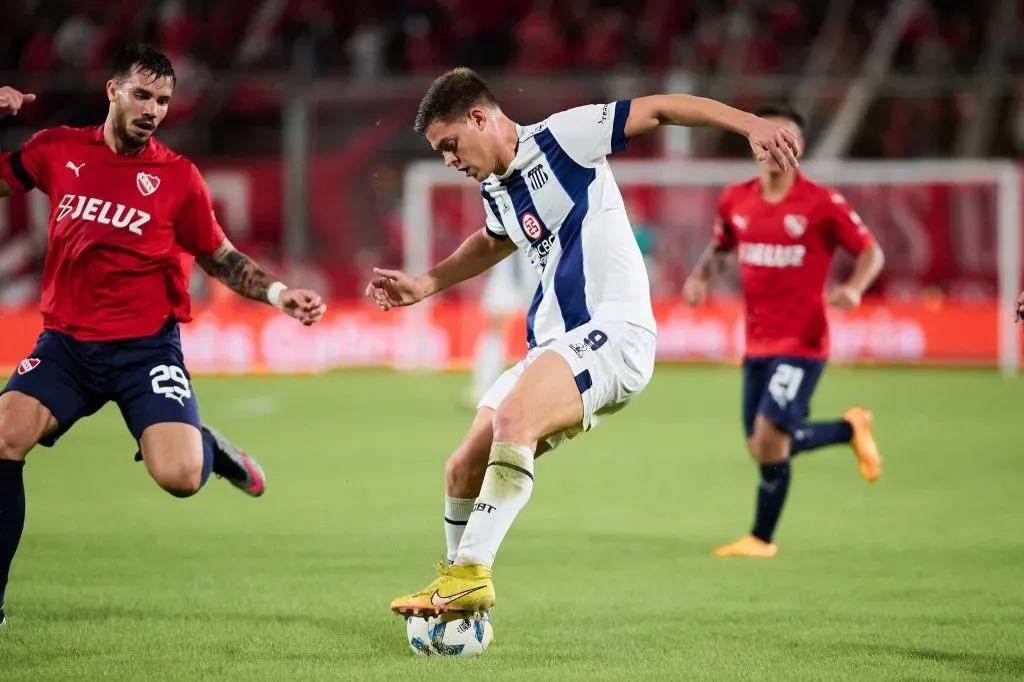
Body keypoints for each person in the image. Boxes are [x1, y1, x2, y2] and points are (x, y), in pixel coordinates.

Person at [366, 67, 800, 617]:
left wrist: (750, 125)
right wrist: (425, 283)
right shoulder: (497, 188)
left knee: (512, 421)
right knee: (462, 467)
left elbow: (659, 107)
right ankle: (459, 605)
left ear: (481, 117)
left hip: (612, 332)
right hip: (552, 346)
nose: (449, 161)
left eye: (450, 145)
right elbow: (493, 240)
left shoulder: (564, 137)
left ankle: (469, 576)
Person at [0, 44, 327, 627]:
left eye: (164, 101)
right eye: (142, 95)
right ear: (113, 91)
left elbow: (220, 258)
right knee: (3, 438)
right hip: (66, 345)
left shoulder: (177, 178)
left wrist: (280, 294)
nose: (152, 109)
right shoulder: (58, 149)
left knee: (178, 478)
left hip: (144, 349)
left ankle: (206, 447)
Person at [681, 103, 885, 559]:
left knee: (770, 435)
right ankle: (849, 429)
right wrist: (700, 276)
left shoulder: (822, 203)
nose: (773, 147)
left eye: (784, 138)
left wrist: (853, 288)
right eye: (764, 137)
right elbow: (721, 245)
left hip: (804, 343)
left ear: (800, 146)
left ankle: (761, 539)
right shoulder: (736, 198)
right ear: (753, 144)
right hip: (756, 343)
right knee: (760, 445)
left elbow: (871, 253)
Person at [465, 250, 538, 407]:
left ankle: (549, 389)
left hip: (541, 267)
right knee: (495, 328)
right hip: (508, 272)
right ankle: (482, 389)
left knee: (549, 329)